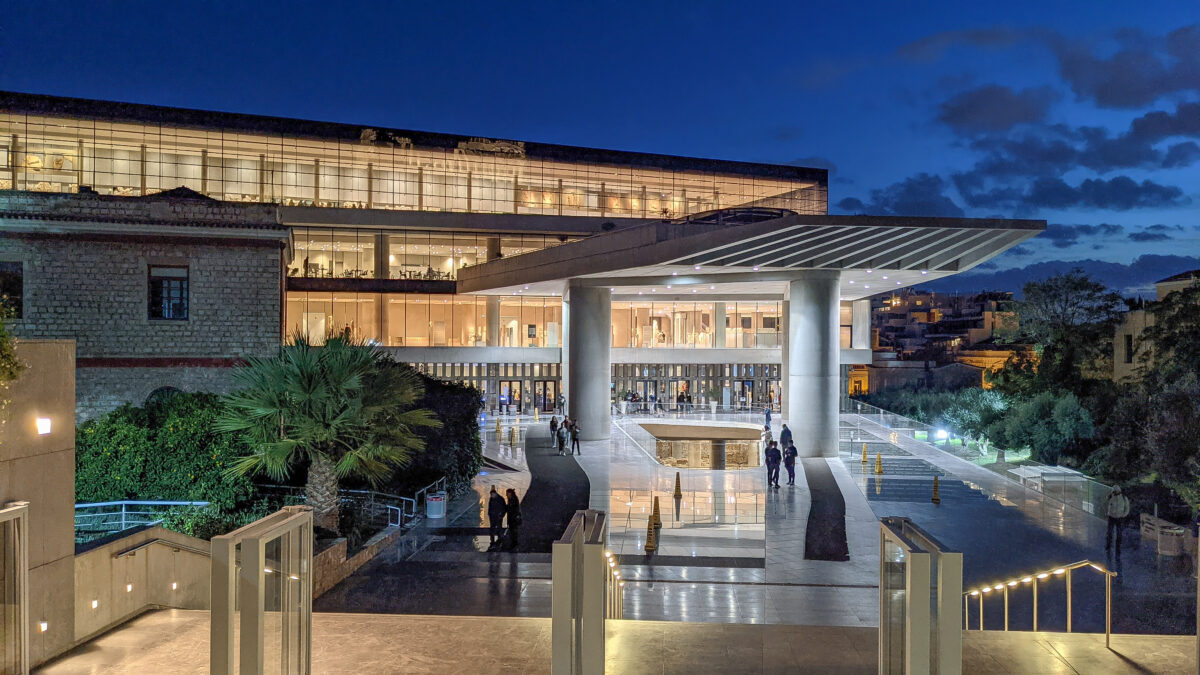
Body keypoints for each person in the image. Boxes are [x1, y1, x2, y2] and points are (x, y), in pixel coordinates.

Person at [1105, 486, 1131, 553]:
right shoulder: (1111, 497)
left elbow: (1127, 508)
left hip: (1119, 518)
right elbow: (1106, 502)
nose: (1115, 493)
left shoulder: (1124, 498)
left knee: (1119, 533)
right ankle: (1109, 545)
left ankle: (1117, 546)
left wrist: (1123, 515)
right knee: (1110, 532)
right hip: (1111, 517)